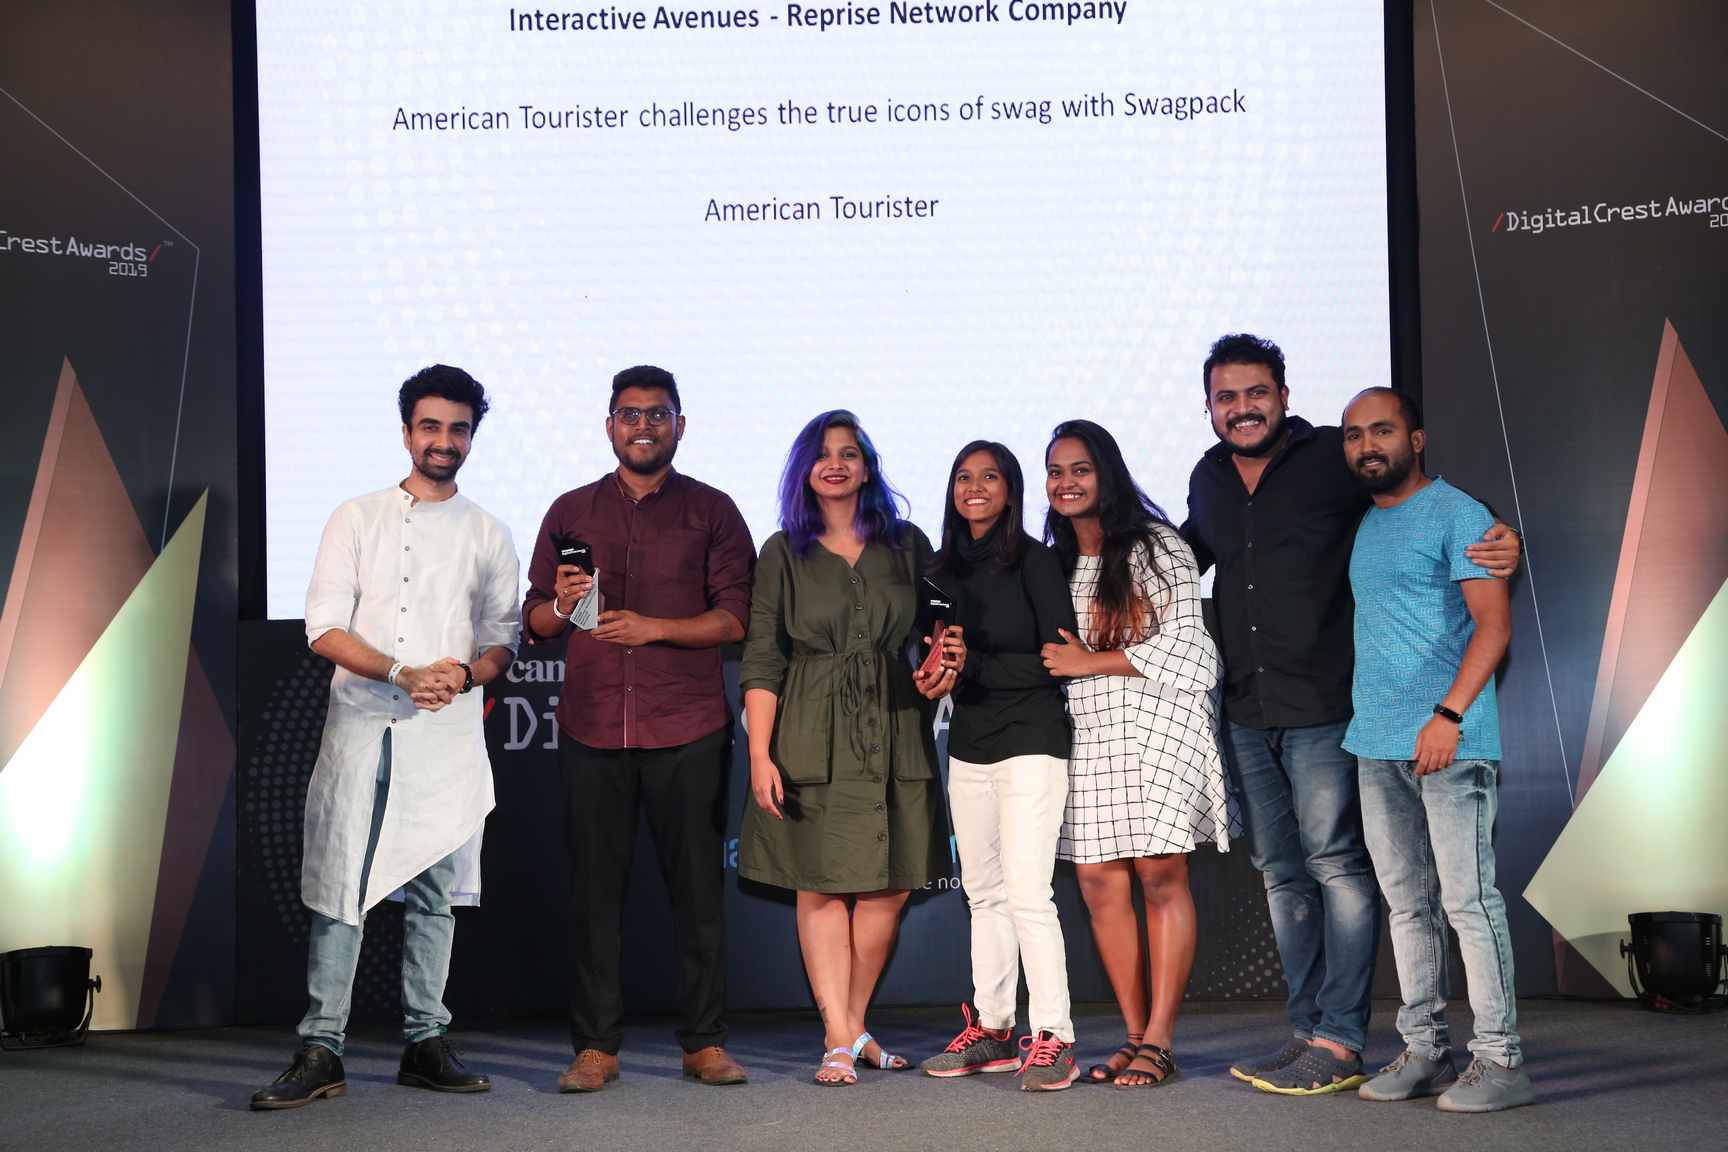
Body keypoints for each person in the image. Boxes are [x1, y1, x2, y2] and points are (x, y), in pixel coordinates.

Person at [1182, 334, 1521, 1095]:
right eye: (1227, 396)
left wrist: (1504, 536)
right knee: (1297, 878)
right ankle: (1321, 1035)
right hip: (1262, 712)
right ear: (1209, 407)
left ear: (1284, 396)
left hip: (1333, 712)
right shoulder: (1208, 479)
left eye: (1256, 392)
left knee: (1361, 875)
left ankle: (1353, 1040)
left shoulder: (1333, 464)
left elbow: (1434, 508)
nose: (1243, 407)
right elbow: (1181, 558)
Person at [252, 365, 520, 1110]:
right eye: (430, 426)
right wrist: (403, 671)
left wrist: (461, 674)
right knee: (343, 884)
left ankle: (425, 1042)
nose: (444, 441)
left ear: (471, 437)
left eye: (458, 429)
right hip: (366, 724)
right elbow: (323, 628)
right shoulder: (357, 518)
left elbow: (502, 642)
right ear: (407, 433)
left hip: (445, 732)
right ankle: (322, 1047)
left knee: (435, 895)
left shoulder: (488, 532)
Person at [522, 365, 755, 1092]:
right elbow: (535, 622)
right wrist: (562, 605)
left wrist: (655, 627)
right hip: (593, 727)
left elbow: (737, 618)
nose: (644, 426)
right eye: (630, 414)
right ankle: (596, 1047)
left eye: (658, 414)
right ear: (609, 426)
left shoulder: (713, 510)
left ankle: (704, 1043)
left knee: (698, 897)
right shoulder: (571, 510)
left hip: (687, 726)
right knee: (595, 898)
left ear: (680, 425)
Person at [738, 409, 963, 1087]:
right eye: (823, 454)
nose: (835, 464)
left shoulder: (908, 544)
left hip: (895, 726)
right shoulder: (783, 551)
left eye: (849, 453)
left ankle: (850, 1025)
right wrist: (760, 754)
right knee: (821, 887)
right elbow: (763, 658)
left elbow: (942, 628)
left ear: (867, 468)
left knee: (890, 888)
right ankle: (839, 1037)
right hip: (809, 729)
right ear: (804, 470)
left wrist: (944, 660)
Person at [1341, 388, 1534, 1113]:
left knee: (1468, 903)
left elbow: (1493, 626)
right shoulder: (1367, 523)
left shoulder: (1459, 514)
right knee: (1408, 907)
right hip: (1376, 743)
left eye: (1382, 430)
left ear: (1415, 439)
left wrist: (1448, 715)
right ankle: (1425, 1051)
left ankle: (1501, 1060)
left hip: (1451, 743)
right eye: (1354, 435)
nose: (1368, 446)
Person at [1040, 419, 1233, 1089]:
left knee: (1159, 874)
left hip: (1159, 723)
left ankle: (1160, 1039)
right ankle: (1132, 1034)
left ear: (1108, 474)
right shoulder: (1053, 560)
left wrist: (1090, 661)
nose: (1067, 483)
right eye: (1056, 471)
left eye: (1080, 469)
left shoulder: (1158, 545)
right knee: (1098, 880)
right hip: (1088, 730)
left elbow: (1189, 648)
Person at [917, 442, 1080, 1091]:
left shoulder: (1035, 562)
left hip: (1031, 740)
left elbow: (1058, 659)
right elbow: (931, 654)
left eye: (989, 476)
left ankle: (1056, 1037)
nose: (975, 486)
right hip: (970, 743)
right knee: (983, 894)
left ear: (1011, 489)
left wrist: (975, 665)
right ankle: (993, 1029)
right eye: (964, 476)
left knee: (1028, 894)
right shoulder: (939, 571)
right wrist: (933, 672)